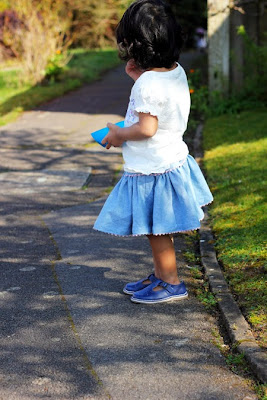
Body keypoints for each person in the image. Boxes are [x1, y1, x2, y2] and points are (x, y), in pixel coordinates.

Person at [93, 0, 213, 304]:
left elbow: (146, 128)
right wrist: (139, 78)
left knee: (157, 230)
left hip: (153, 168)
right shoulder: (175, 71)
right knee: (159, 229)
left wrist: (119, 134)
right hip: (170, 159)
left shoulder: (148, 84)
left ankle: (171, 282)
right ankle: (161, 275)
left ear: (134, 45)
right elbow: (161, 108)